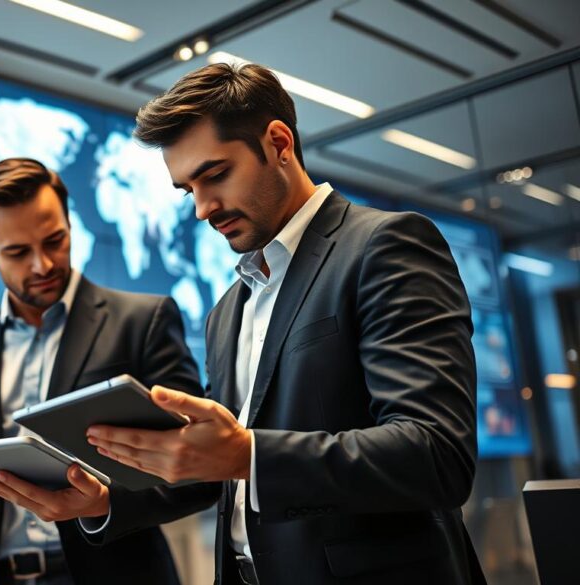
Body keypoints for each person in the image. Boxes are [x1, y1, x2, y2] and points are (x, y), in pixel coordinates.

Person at [85, 62, 487, 585]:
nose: (203, 209)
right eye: (188, 190)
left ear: (278, 143)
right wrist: (101, 501)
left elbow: (436, 452)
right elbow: (217, 474)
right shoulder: (227, 309)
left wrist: (248, 453)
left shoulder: (384, 245)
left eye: (215, 175)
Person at [0, 158, 219, 585]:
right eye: (18, 252)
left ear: (71, 226)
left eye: (55, 240)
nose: (42, 265)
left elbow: (201, 470)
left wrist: (103, 505)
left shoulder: (141, 322)